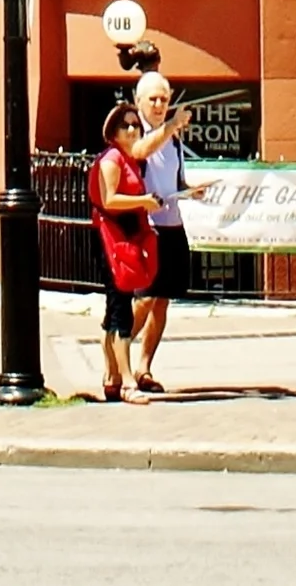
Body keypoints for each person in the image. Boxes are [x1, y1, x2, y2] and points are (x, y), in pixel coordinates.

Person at [128, 72, 199, 394]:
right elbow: (140, 152)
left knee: (162, 301)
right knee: (144, 298)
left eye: (164, 99)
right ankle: (118, 360)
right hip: (146, 228)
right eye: (153, 99)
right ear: (139, 101)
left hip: (172, 225)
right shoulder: (134, 131)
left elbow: (175, 181)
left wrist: (191, 190)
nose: (159, 105)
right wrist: (170, 125)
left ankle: (144, 368)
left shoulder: (175, 142)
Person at [88, 103, 160, 403]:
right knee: (120, 310)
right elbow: (109, 199)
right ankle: (128, 380)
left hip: (127, 240)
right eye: (126, 125)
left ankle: (112, 377)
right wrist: (144, 201)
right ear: (113, 132)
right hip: (111, 240)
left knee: (116, 307)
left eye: (135, 125)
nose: (132, 130)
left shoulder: (133, 160)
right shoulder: (112, 159)